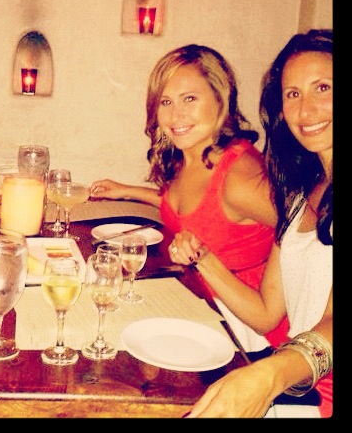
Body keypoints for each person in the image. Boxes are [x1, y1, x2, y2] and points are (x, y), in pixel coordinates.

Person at [90, 44, 289, 351]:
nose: (175, 114)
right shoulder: (191, 155)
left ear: (220, 98)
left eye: (190, 99)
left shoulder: (240, 177)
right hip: (200, 302)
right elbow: (195, 211)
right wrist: (128, 191)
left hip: (250, 334)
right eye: (166, 101)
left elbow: (304, 227)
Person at [183, 29, 333, 417]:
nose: (306, 110)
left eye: (322, 88)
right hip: (297, 387)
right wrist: (202, 257)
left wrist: (269, 376)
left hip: (313, 394)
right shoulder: (300, 194)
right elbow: (267, 313)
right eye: (293, 94)